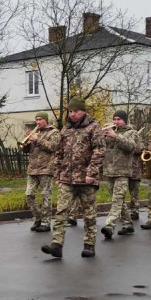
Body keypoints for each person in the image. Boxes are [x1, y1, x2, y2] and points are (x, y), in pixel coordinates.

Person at [41, 96, 104, 259]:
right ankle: (57, 245)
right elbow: (59, 152)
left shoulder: (93, 127)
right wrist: (57, 173)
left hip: (86, 179)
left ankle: (89, 245)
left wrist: (92, 173)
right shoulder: (66, 129)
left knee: (89, 214)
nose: (73, 114)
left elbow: (99, 151)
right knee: (61, 212)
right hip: (67, 179)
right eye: (70, 111)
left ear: (83, 111)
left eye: (76, 111)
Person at [100, 110, 140, 240]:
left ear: (125, 120)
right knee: (119, 200)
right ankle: (128, 224)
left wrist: (115, 136)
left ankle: (110, 225)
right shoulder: (111, 132)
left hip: (123, 171)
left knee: (117, 199)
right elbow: (100, 147)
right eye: (114, 119)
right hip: (109, 170)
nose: (116, 122)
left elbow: (131, 146)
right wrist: (101, 136)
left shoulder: (131, 132)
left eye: (119, 119)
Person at [22, 111, 59, 233]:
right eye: (36, 119)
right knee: (29, 195)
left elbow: (53, 147)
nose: (37, 122)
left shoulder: (54, 132)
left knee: (45, 196)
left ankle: (46, 222)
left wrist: (37, 140)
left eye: (40, 119)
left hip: (46, 169)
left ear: (46, 120)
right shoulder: (36, 133)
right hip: (32, 169)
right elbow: (27, 150)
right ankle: (38, 217)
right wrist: (27, 142)